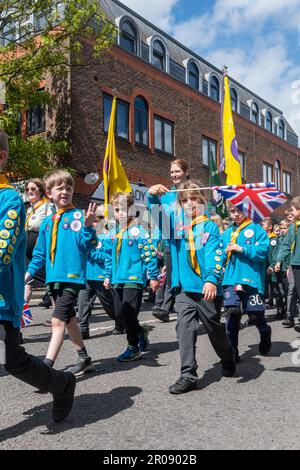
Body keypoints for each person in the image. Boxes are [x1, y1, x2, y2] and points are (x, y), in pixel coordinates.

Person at [0, 129, 75, 423]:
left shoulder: (9, 200)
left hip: (3, 298)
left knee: (15, 362)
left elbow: (3, 252)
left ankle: (62, 383)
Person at [165, 180, 235, 394]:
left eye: (194, 199)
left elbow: (216, 253)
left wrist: (211, 279)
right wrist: (152, 198)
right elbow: (160, 220)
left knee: (213, 328)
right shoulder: (177, 227)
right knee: (184, 327)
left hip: (206, 288)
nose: (190, 204)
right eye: (184, 200)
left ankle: (227, 355)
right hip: (184, 289)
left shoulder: (210, 225)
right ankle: (188, 374)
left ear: (203, 201)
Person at [25, 169, 97, 376]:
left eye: (69, 187)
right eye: (60, 188)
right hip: (53, 278)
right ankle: (84, 357)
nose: (65, 191)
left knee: (57, 321)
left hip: (71, 277)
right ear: (49, 193)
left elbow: (89, 245)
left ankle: (46, 368)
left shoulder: (79, 216)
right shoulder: (47, 222)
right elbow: (39, 254)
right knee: (70, 319)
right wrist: (28, 275)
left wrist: (89, 227)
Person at [104, 192, 159, 362]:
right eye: (117, 209)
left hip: (133, 279)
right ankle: (141, 331)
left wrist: (153, 276)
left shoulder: (138, 230)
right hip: (117, 279)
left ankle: (133, 347)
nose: (120, 213)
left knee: (128, 312)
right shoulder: (113, 232)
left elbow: (149, 254)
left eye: (123, 209)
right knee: (120, 314)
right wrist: (107, 275)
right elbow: (108, 256)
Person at [222, 202, 272, 362]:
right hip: (230, 278)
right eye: (232, 211)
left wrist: (242, 248)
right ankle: (232, 350)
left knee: (255, 316)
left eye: (239, 211)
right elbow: (219, 254)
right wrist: (222, 254)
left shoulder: (257, 230)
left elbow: (263, 252)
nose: (235, 215)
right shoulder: (227, 232)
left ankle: (265, 332)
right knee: (232, 313)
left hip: (251, 279)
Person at [148, 159, 190, 322]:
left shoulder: (194, 192)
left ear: (186, 172)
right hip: (170, 242)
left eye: (177, 171)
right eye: (172, 172)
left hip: (189, 241)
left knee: (185, 274)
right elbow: (159, 219)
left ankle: (183, 305)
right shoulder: (165, 195)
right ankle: (164, 307)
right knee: (171, 274)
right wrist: (150, 194)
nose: (174, 175)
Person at [77, 205, 124, 338]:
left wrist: (91, 253)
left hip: (101, 277)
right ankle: (83, 329)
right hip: (86, 277)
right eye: (95, 219)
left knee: (109, 305)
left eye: (100, 219)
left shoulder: (109, 236)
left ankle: (120, 323)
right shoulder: (86, 235)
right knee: (83, 304)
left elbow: (108, 257)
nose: (96, 222)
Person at [24, 178, 54, 309]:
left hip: (40, 248)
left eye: (33, 188)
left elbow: (51, 227)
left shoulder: (48, 206)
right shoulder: (30, 209)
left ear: (41, 191)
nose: (29, 191)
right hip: (26, 249)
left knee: (50, 279)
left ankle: (59, 312)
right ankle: (21, 315)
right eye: (27, 189)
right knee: (26, 281)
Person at [275, 197, 300, 333]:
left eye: (295, 209)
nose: (293, 212)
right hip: (295, 264)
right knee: (293, 290)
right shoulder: (293, 227)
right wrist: (279, 260)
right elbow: (285, 245)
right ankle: (290, 316)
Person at [261, 217, 285, 318]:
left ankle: (281, 310)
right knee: (262, 291)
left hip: (273, 270)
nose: (261, 227)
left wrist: (272, 266)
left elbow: (276, 256)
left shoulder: (274, 240)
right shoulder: (263, 240)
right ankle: (259, 313)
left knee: (276, 290)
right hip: (263, 270)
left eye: (263, 225)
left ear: (270, 227)